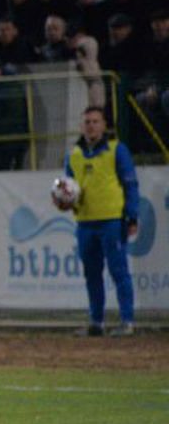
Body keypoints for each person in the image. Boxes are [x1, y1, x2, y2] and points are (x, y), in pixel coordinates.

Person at [60, 106, 139, 337]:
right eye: (87, 122)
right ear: (81, 126)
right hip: (85, 222)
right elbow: (68, 188)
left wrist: (131, 216)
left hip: (112, 221)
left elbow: (130, 185)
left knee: (118, 271)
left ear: (104, 125)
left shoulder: (116, 150)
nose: (91, 126)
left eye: (95, 121)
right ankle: (97, 322)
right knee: (91, 273)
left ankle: (127, 321)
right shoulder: (73, 155)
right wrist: (64, 201)